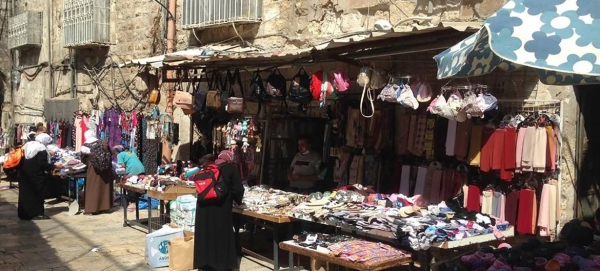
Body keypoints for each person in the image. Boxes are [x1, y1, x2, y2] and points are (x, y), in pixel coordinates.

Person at [194, 151, 244, 271]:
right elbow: (238, 189)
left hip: (203, 208)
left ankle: (204, 263)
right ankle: (221, 264)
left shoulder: (208, 167)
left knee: (205, 234)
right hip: (221, 208)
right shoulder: (230, 168)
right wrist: (238, 201)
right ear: (229, 159)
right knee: (220, 235)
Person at [18, 133, 62, 220]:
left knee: (26, 194)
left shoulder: (28, 145)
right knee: (37, 194)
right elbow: (42, 164)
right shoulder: (41, 148)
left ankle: (24, 214)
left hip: (25, 174)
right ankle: (37, 213)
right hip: (36, 176)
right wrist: (54, 166)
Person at [81, 131, 113, 215]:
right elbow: (110, 153)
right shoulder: (103, 142)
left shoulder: (85, 145)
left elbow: (83, 159)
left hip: (93, 169)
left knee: (93, 187)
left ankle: (92, 209)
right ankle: (105, 207)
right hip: (106, 168)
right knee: (105, 187)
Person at [112, 145, 145, 212]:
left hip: (133, 170)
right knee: (137, 185)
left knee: (130, 185)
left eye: (114, 153)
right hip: (141, 168)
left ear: (116, 152)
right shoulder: (129, 152)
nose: (114, 155)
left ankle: (133, 202)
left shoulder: (120, 155)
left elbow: (122, 166)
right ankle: (136, 201)